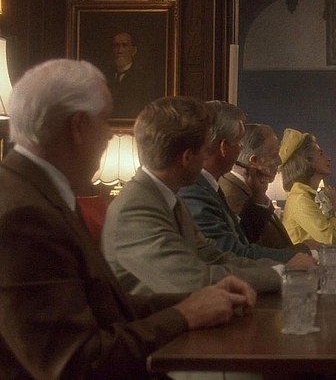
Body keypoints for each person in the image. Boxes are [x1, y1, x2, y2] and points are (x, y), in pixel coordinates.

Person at [0, 59, 255, 378]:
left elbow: (108, 306)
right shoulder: (23, 215)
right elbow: (75, 361)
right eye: (105, 121)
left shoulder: (39, 192)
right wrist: (184, 315)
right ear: (78, 127)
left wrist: (197, 300)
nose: (110, 134)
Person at [102, 96, 285, 295]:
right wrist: (282, 276)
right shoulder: (135, 209)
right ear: (187, 157)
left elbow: (216, 258)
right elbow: (192, 280)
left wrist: (286, 270)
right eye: (206, 150)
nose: (207, 157)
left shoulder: (170, 200)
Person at [178, 101, 316, 266]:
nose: (240, 150)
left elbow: (242, 239)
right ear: (224, 148)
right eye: (239, 143)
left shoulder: (210, 186)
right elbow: (231, 253)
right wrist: (300, 256)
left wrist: (257, 199)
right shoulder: (194, 192)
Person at [220, 123, 311, 251]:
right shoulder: (232, 196)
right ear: (254, 161)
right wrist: (306, 249)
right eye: (274, 154)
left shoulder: (253, 190)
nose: (280, 161)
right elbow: (251, 249)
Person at [280, 128, 336, 244]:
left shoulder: (313, 196)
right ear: (307, 161)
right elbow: (330, 238)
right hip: (306, 256)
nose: (328, 159)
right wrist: (334, 209)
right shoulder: (300, 199)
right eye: (321, 154)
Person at [105, 31, 165, 118]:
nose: (120, 50)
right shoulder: (105, 77)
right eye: (116, 46)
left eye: (124, 45)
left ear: (134, 51)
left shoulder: (144, 79)